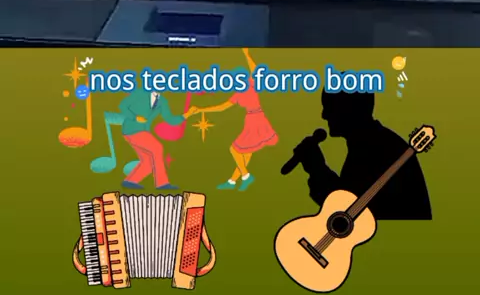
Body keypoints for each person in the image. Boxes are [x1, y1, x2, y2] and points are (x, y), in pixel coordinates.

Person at [291, 89, 432, 220]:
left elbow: (349, 212)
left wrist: (317, 169)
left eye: (330, 106)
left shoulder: (376, 148)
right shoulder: (371, 143)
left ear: (349, 108)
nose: (324, 115)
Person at [184, 48, 278, 191]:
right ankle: (233, 181)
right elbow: (222, 107)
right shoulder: (239, 93)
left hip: (255, 120)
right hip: (255, 119)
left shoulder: (250, 84)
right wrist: (201, 109)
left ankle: (246, 176)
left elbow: (255, 71)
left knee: (235, 149)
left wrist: (247, 55)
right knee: (246, 152)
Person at [120, 88, 185, 191]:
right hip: (132, 129)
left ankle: (130, 181)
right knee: (157, 148)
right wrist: (135, 118)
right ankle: (162, 183)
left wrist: (186, 115)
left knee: (148, 161)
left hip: (144, 131)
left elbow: (170, 120)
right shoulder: (140, 93)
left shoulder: (162, 101)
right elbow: (123, 106)